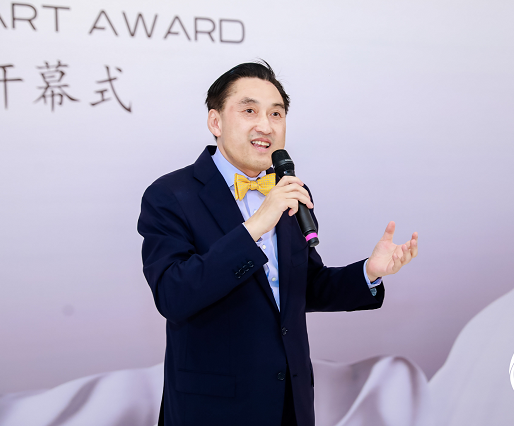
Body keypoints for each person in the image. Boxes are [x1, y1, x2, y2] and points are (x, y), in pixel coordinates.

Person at [137, 61, 418, 426]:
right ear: (215, 122)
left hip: (290, 405)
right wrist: (256, 225)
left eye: (276, 114)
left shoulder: (289, 191)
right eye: (249, 111)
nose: (266, 126)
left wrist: (369, 272)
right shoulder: (170, 195)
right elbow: (174, 295)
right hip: (213, 409)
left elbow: (305, 286)